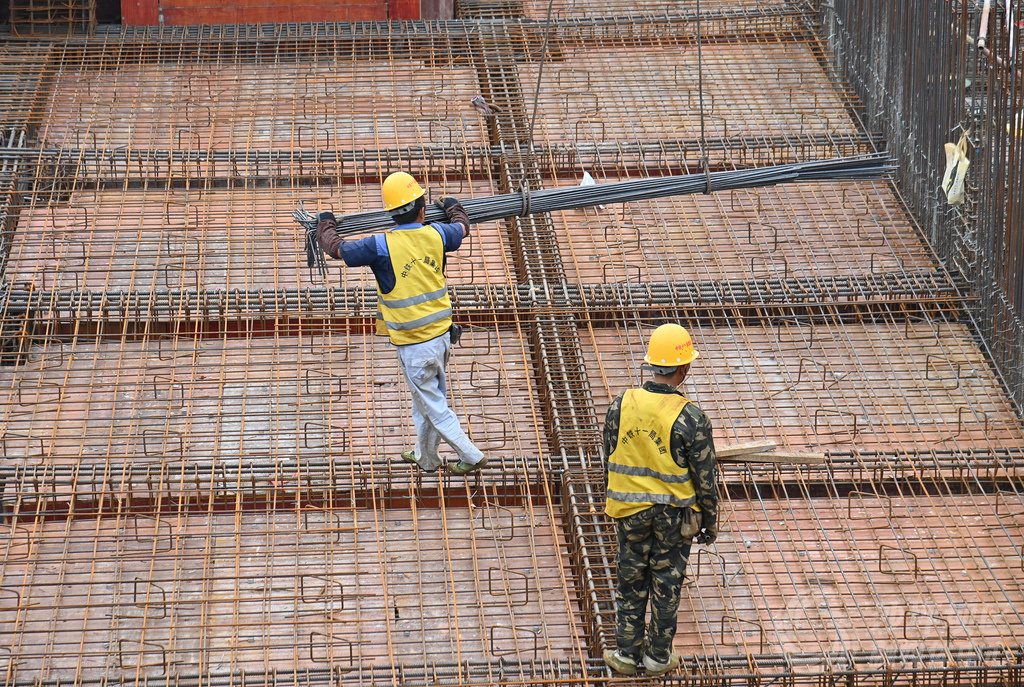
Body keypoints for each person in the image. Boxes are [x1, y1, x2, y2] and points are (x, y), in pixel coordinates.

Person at [315, 171, 487, 475]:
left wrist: (325, 224)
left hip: (415, 346)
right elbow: (461, 227)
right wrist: (453, 206)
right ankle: (427, 457)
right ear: (422, 209)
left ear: (390, 215)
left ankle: (471, 455)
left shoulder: (380, 245)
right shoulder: (437, 233)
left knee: (433, 406)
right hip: (442, 337)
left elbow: (337, 249)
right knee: (426, 400)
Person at [601, 323, 719, 677]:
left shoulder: (620, 405)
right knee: (666, 584)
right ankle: (657, 657)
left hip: (630, 512)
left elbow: (609, 456)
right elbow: (706, 480)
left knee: (631, 580)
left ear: (651, 365)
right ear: (684, 368)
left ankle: (625, 655)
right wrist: (710, 523)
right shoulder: (691, 419)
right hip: (674, 518)